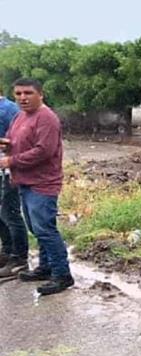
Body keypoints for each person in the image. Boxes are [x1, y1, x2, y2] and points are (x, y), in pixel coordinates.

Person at [0, 78, 74, 295]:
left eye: (28, 93)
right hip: (24, 181)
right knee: (36, 229)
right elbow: (15, 140)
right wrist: (5, 144)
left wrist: (10, 161)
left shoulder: (46, 118)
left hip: (43, 183)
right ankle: (45, 267)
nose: (23, 98)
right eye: (19, 94)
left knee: (46, 229)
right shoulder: (21, 116)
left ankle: (62, 275)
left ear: (40, 94)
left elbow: (44, 150)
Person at [0, 92, 29, 278]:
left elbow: (18, 142)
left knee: (9, 213)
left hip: (9, 170)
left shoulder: (6, 111)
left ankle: (19, 259)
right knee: (2, 212)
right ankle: (8, 252)